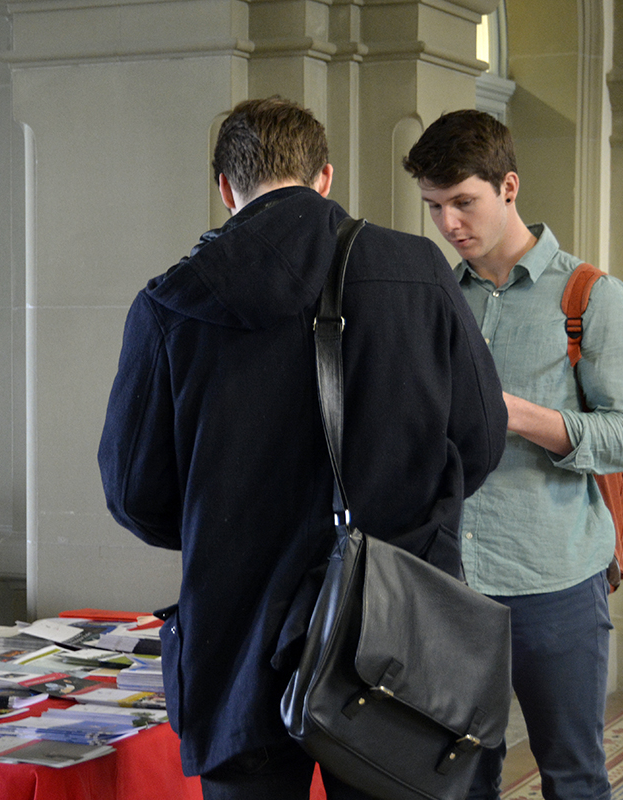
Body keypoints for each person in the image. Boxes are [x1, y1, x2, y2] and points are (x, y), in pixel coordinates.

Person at [98, 96, 508, 799]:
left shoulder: (170, 301)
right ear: (324, 178)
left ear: (225, 188)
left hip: (237, 640)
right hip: (391, 636)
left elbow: (135, 492)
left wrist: (222, 528)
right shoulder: (416, 268)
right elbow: (480, 437)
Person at [403, 109, 623, 800]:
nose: (449, 223)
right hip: (452, 583)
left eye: (464, 202)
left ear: (508, 186)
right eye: (434, 206)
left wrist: (517, 415)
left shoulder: (590, 297)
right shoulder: (435, 299)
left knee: (572, 777)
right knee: (460, 778)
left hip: (556, 579)